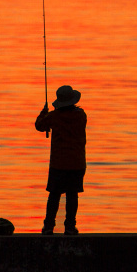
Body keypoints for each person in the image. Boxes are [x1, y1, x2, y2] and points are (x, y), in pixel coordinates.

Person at [35, 85, 87, 234]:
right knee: (72, 195)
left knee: (54, 195)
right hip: (77, 163)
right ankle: (70, 226)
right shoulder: (81, 115)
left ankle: (48, 226)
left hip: (58, 163)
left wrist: (43, 112)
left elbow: (39, 125)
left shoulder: (53, 117)